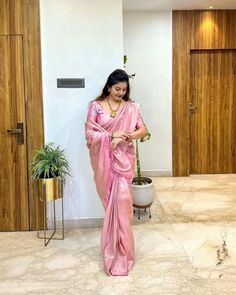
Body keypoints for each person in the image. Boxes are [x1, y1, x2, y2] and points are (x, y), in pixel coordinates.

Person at [85, 69, 148, 276]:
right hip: (104, 165)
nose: (121, 93)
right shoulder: (95, 106)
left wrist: (126, 136)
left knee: (121, 204)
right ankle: (111, 249)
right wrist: (111, 134)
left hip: (123, 163)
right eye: (117, 89)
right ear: (109, 86)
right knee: (110, 207)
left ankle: (123, 252)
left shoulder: (130, 108)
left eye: (124, 89)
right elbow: (89, 133)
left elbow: (143, 130)